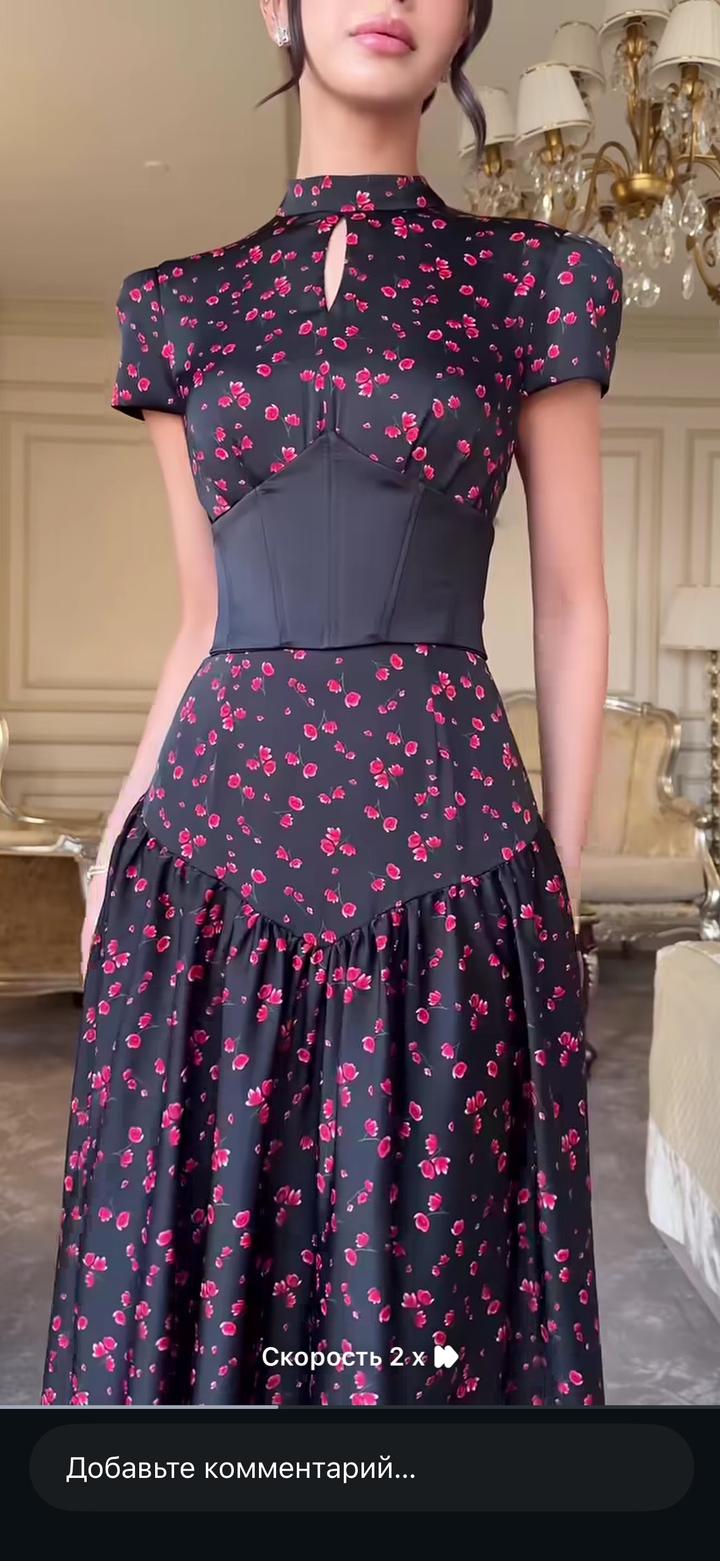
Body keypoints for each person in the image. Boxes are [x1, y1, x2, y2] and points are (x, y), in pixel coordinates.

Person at [41, 0, 623, 1408]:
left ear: (469, 23)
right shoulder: (175, 305)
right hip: (208, 863)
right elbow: (203, 620)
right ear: (276, 6)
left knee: (427, 1288)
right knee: (192, 1264)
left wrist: (560, 880)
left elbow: (569, 600)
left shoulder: (537, 279)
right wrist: (120, 833)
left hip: (454, 863)